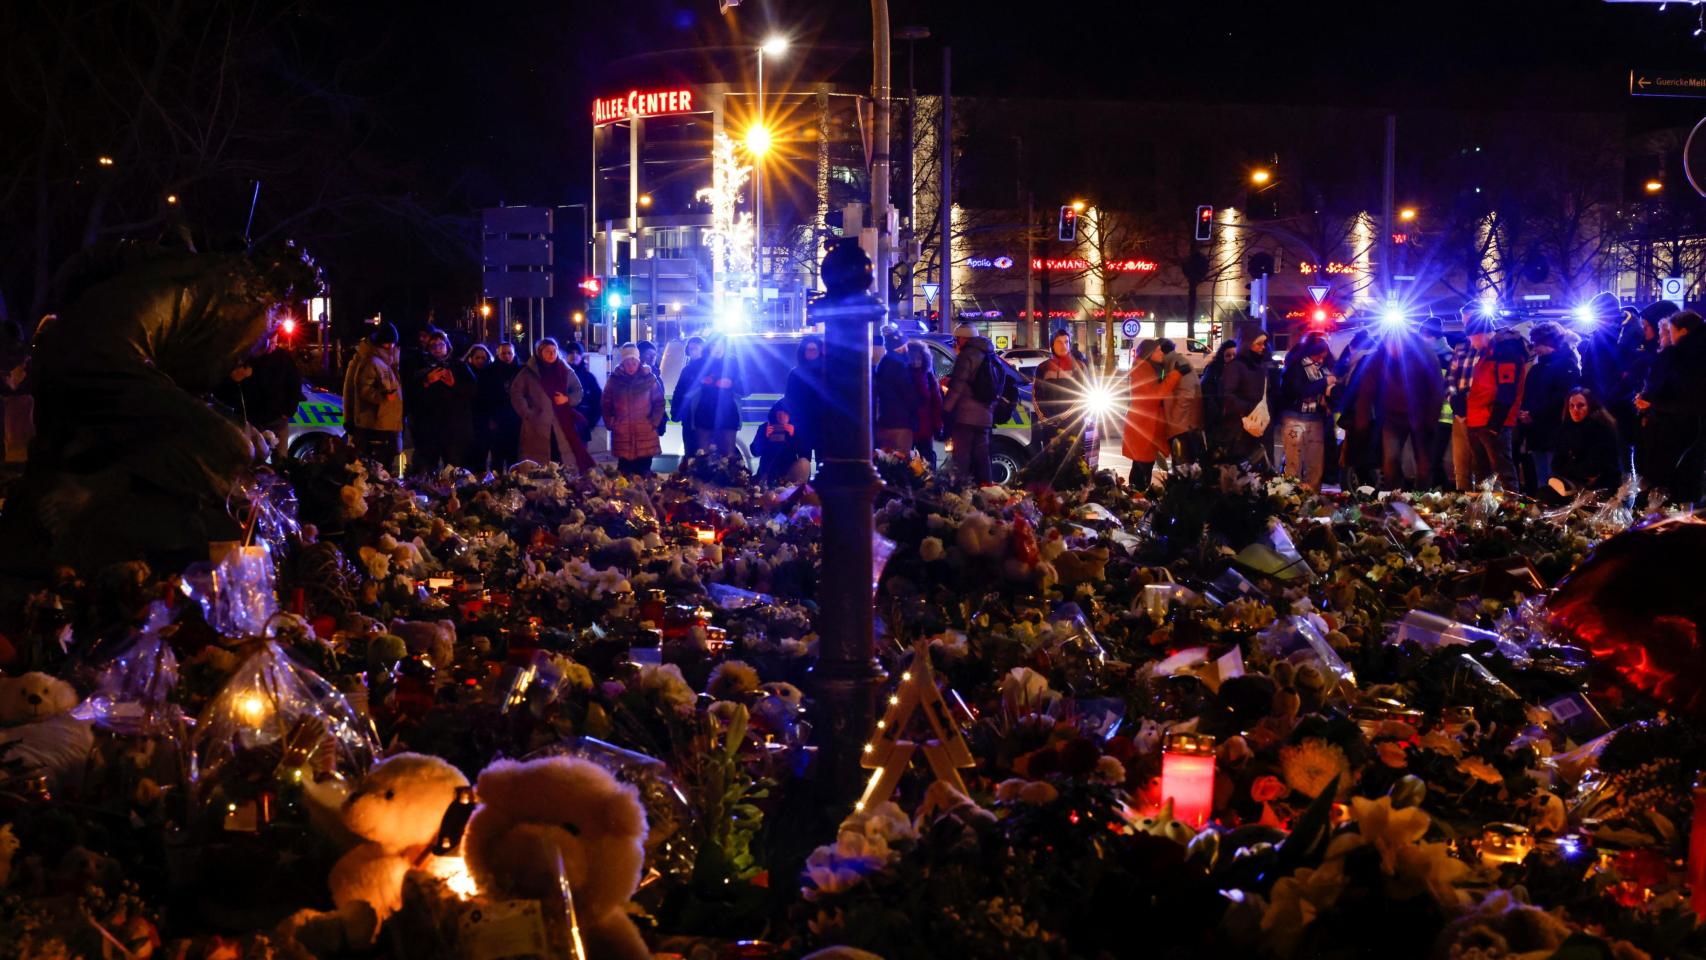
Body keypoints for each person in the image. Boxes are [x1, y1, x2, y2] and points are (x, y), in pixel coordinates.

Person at [1636, 309, 1706, 502]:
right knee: (1690, 481)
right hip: (1695, 429)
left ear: (1683, 331)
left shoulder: (1676, 356)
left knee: (1669, 482)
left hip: (1673, 430)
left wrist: (1651, 404)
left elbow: (1675, 396)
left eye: (1671, 331)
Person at [1371, 332, 1445, 490]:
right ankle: (1395, 497)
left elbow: (1437, 389)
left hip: (1421, 417)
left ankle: (1421, 499)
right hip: (1392, 417)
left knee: (1424, 463)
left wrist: (1430, 421)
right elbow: (1371, 386)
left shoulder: (1424, 355)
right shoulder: (1382, 358)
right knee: (1390, 460)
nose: (1391, 350)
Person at [1462, 315, 1529, 490]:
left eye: (1471, 338)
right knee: (1482, 471)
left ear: (1480, 334)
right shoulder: (1490, 350)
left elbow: (1507, 391)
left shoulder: (1506, 351)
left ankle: (1513, 509)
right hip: (1479, 420)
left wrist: (1495, 425)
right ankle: (1485, 509)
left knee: (1502, 470)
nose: (1471, 343)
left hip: (1492, 422)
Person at [510, 337, 593, 472]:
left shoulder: (565, 370)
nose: (551, 354)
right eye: (548, 351)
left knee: (561, 460)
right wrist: (527, 412)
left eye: (554, 351)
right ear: (539, 353)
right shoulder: (529, 372)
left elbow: (578, 390)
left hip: (561, 422)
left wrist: (567, 399)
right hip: (537, 424)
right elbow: (516, 392)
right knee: (538, 465)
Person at [1519, 321, 1582, 491]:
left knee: (1555, 478)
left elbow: (1563, 398)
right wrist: (1525, 413)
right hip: (1536, 431)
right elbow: (1529, 395)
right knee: (1542, 478)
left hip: (1554, 432)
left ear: (1549, 343)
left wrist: (1534, 414)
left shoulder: (1566, 366)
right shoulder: (1538, 368)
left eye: (1537, 343)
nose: (1535, 348)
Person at [215, 326, 303, 444]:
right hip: (250, 421)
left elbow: (294, 384)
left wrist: (288, 412)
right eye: (270, 342)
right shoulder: (246, 358)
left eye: (275, 342)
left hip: (276, 420)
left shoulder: (283, 357)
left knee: (279, 458)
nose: (273, 345)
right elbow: (225, 390)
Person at [407, 329, 476, 472]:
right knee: (425, 473)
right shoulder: (421, 368)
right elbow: (411, 395)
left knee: (454, 472)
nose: (437, 349)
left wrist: (454, 385)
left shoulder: (460, 367)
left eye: (440, 345)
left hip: (453, 430)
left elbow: (473, 391)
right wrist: (426, 382)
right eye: (433, 346)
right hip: (428, 431)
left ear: (447, 346)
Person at [341, 322, 404, 473]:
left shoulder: (389, 362)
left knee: (384, 468)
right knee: (376, 469)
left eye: (392, 343)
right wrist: (383, 398)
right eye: (386, 344)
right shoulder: (372, 361)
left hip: (387, 423)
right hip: (376, 424)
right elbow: (361, 389)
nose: (390, 347)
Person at [942, 322, 998, 484]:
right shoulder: (989, 354)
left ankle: (962, 495)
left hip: (965, 417)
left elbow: (957, 387)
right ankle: (987, 493)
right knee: (982, 458)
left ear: (964, 339)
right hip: (985, 416)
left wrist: (945, 410)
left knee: (962, 459)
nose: (956, 343)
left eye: (957, 339)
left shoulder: (967, 355)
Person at [1276, 334, 1335, 488]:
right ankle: (1291, 498)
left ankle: (1312, 500)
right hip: (1294, 418)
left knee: (1315, 463)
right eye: (1318, 355)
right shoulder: (1295, 367)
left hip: (1316, 419)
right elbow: (1299, 390)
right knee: (1293, 461)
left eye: (1324, 356)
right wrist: (1324, 383)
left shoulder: (1324, 369)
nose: (1320, 360)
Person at [1121, 338, 1181, 489]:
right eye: (1158, 351)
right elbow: (1154, 395)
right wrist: (1174, 375)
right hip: (1144, 427)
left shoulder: (1150, 368)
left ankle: (1137, 499)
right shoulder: (1142, 369)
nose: (1162, 353)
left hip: (1147, 426)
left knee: (1143, 466)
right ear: (1149, 353)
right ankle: (1136, 501)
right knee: (1142, 468)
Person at [601, 343, 665, 476]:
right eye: (628, 363)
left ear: (638, 361)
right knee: (624, 476)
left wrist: (653, 422)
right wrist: (611, 422)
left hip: (645, 434)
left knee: (644, 475)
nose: (631, 366)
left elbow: (659, 402)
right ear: (623, 363)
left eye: (634, 362)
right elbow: (606, 403)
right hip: (622, 434)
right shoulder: (614, 380)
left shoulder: (649, 379)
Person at [1550, 388, 1624, 499]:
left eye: (1580, 406)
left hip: (1601, 486)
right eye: (1571, 406)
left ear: (1589, 406)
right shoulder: (1565, 429)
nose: (1575, 410)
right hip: (1574, 483)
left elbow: (1595, 467)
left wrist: (1571, 469)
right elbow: (1556, 464)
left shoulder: (1602, 429)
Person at [1215, 331, 1272, 464]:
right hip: (1240, 427)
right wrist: (1249, 408)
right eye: (1259, 344)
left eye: (1264, 344)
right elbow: (1227, 394)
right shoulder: (1235, 366)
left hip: (1259, 424)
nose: (1263, 347)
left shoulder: (1260, 366)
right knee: (1242, 467)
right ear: (1247, 345)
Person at [690, 335, 747, 457]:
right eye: (713, 345)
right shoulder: (700, 364)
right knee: (702, 456)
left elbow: (746, 387)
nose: (717, 348)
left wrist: (731, 384)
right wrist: (701, 381)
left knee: (728, 454)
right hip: (704, 413)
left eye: (720, 344)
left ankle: (729, 475)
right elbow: (688, 382)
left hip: (727, 413)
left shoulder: (734, 363)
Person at [1030, 329, 1085, 452]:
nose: (1063, 345)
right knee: (1051, 463)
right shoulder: (1043, 367)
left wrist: (1062, 417)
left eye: (1066, 342)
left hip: (1073, 425)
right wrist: (1045, 418)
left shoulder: (1079, 367)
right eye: (1059, 342)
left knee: (1073, 464)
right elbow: (1036, 396)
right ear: (1052, 345)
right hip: (1049, 426)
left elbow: (1082, 395)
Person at [1444, 321, 1479, 491]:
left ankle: (1486, 505)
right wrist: (1454, 402)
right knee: (1461, 462)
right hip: (1460, 411)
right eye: (1464, 320)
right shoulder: (1461, 347)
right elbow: (1450, 378)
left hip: (1482, 410)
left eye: (1469, 319)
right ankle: (1462, 502)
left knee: (1482, 463)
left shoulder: (1493, 348)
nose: (1466, 324)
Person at [874, 329, 920, 453]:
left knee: (886, 462)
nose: (906, 349)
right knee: (900, 463)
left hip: (884, 422)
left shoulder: (882, 364)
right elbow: (909, 395)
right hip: (901, 424)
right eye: (904, 346)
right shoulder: (899, 367)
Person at [783, 335, 827, 466]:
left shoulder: (827, 373)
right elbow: (789, 400)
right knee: (802, 463)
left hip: (823, 427)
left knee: (824, 464)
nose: (811, 352)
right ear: (803, 351)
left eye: (814, 349)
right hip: (802, 427)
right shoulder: (795, 374)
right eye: (808, 350)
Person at [480, 342, 523, 468]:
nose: (507, 356)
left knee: (514, 458)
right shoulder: (489, 372)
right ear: (498, 354)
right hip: (497, 420)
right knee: (497, 457)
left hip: (516, 419)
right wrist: (491, 418)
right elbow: (486, 397)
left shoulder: (520, 371)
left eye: (509, 353)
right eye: (503, 353)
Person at [1161, 341, 1204, 465]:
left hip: (1182, 423)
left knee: (1183, 463)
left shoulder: (1176, 363)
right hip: (1185, 422)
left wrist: (1174, 420)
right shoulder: (1176, 361)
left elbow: (1186, 394)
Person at [906, 340, 944, 469]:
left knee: (926, 463)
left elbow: (937, 404)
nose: (916, 361)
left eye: (919, 357)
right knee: (907, 462)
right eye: (913, 357)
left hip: (924, 429)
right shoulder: (903, 376)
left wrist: (938, 426)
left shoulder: (928, 377)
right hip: (908, 429)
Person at [751, 403, 807, 484]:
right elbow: (754, 452)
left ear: (790, 415)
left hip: (789, 473)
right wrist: (764, 437)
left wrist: (794, 436)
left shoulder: (796, 429)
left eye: (785, 413)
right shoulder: (765, 427)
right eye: (779, 413)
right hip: (767, 473)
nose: (782, 416)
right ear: (774, 414)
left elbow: (804, 455)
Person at [564, 341, 602, 446]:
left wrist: (591, 422)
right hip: (562, 427)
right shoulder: (560, 376)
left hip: (582, 426)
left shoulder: (589, 378)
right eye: (571, 352)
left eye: (577, 352)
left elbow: (598, 401)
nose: (574, 355)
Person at [1199, 340, 1238, 435]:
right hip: (1217, 421)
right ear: (1222, 356)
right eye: (1228, 355)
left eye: (1234, 355)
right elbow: (1207, 392)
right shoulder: (1213, 371)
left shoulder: (1241, 372)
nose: (1231, 358)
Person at [671, 335, 707, 431]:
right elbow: (679, 392)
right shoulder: (687, 370)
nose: (692, 351)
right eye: (690, 348)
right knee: (690, 445)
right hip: (688, 418)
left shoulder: (710, 368)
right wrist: (675, 412)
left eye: (695, 348)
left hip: (706, 419)